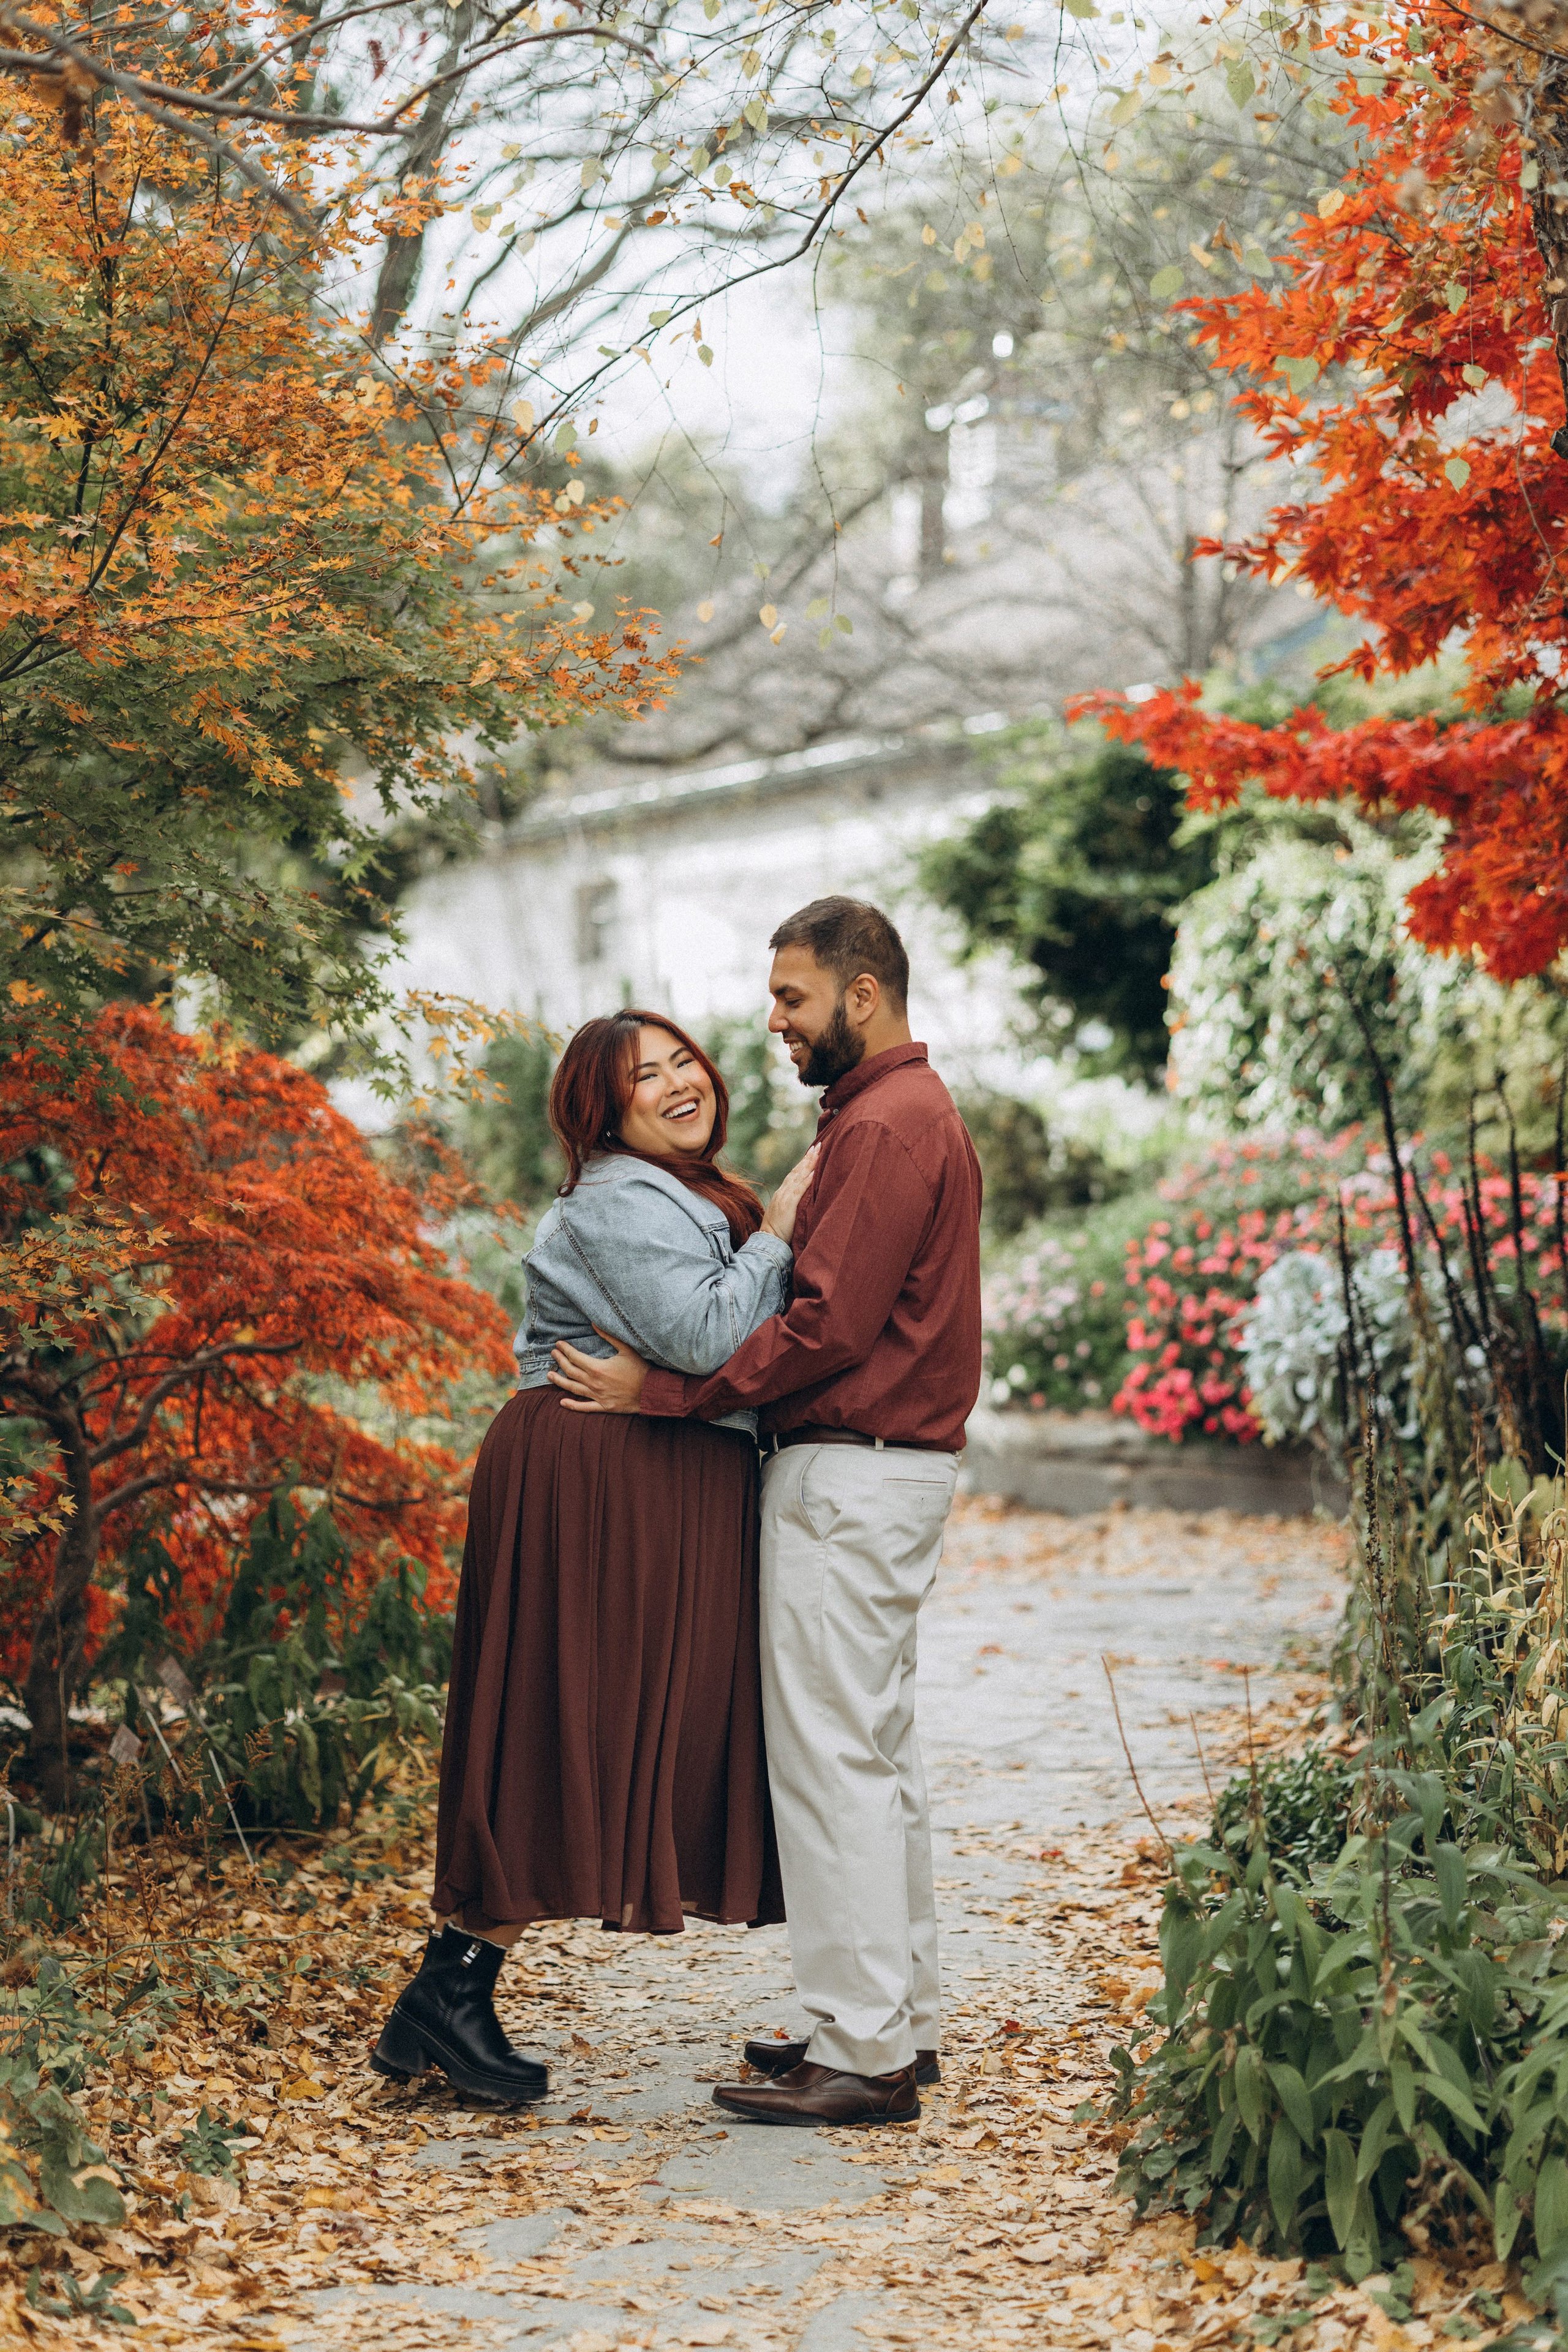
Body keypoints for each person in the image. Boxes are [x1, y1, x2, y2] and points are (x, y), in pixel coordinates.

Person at [551, 899, 982, 2130]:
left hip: (850, 1472)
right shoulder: (887, 1115)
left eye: (792, 998)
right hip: (881, 1471)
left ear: (860, 993)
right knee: (877, 1755)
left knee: (834, 1759)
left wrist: (673, 1395)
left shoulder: (889, 1126)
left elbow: (822, 1328)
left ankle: (861, 2049)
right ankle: (897, 2021)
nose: (774, 1022)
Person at [372, 1012, 818, 2103]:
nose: (678, 1084)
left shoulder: (676, 1192)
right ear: (600, 1110)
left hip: (645, 1473)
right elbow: (711, 1336)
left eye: (682, 1062)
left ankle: (448, 1994)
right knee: (570, 1725)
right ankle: (452, 1989)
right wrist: (786, 1226)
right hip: (598, 1482)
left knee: (610, 1728)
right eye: (642, 1077)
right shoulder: (618, 1198)